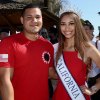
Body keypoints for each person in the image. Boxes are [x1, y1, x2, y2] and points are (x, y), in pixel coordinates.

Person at [0, 3, 57, 100]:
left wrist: (75, 71)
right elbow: (4, 80)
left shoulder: (48, 45)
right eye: (29, 17)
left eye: (37, 17)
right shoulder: (7, 43)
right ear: (22, 20)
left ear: (41, 19)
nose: (34, 20)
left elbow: (50, 72)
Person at [52, 11, 100, 100]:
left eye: (71, 23)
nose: (67, 28)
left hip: (78, 96)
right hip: (59, 96)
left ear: (77, 26)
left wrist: (94, 89)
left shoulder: (87, 48)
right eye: (63, 24)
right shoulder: (56, 48)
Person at [82, 20, 100, 99]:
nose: (84, 31)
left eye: (86, 29)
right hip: (86, 78)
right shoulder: (82, 44)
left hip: (97, 78)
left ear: (92, 30)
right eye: (83, 29)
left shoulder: (98, 43)